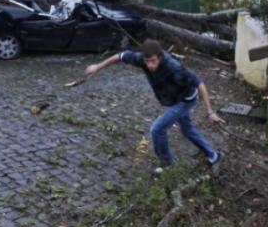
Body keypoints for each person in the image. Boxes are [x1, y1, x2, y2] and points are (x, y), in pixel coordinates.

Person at [85, 39, 225, 173]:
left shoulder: (173, 67)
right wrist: (98, 66)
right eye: (147, 61)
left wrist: (210, 111)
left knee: (157, 129)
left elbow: (199, 83)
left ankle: (167, 165)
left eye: (153, 61)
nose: (150, 65)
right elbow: (121, 56)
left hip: (186, 100)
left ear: (160, 57)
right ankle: (213, 155)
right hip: (174, 98)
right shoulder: (141, 59)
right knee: (187, 130)